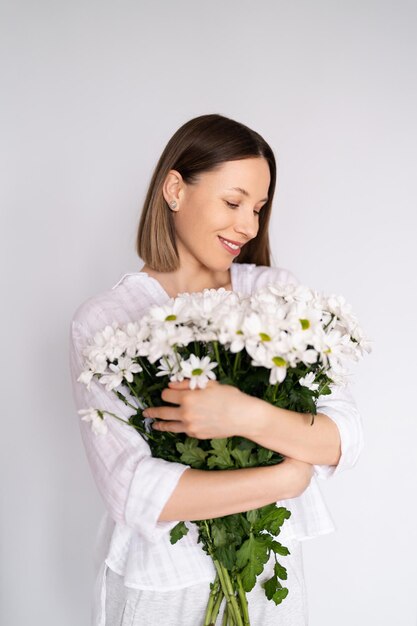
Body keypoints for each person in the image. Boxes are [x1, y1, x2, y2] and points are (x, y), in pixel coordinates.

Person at [69, 113, 363, 626]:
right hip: (162, 585)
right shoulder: (106, 321)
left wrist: (241, 416)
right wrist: (286, 478)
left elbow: (342, 437)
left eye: (258, 208)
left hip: (270, 583)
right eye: (233, 203)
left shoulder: (273, 295)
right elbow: (136, 492)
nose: (249, 226)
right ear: (175, 188)